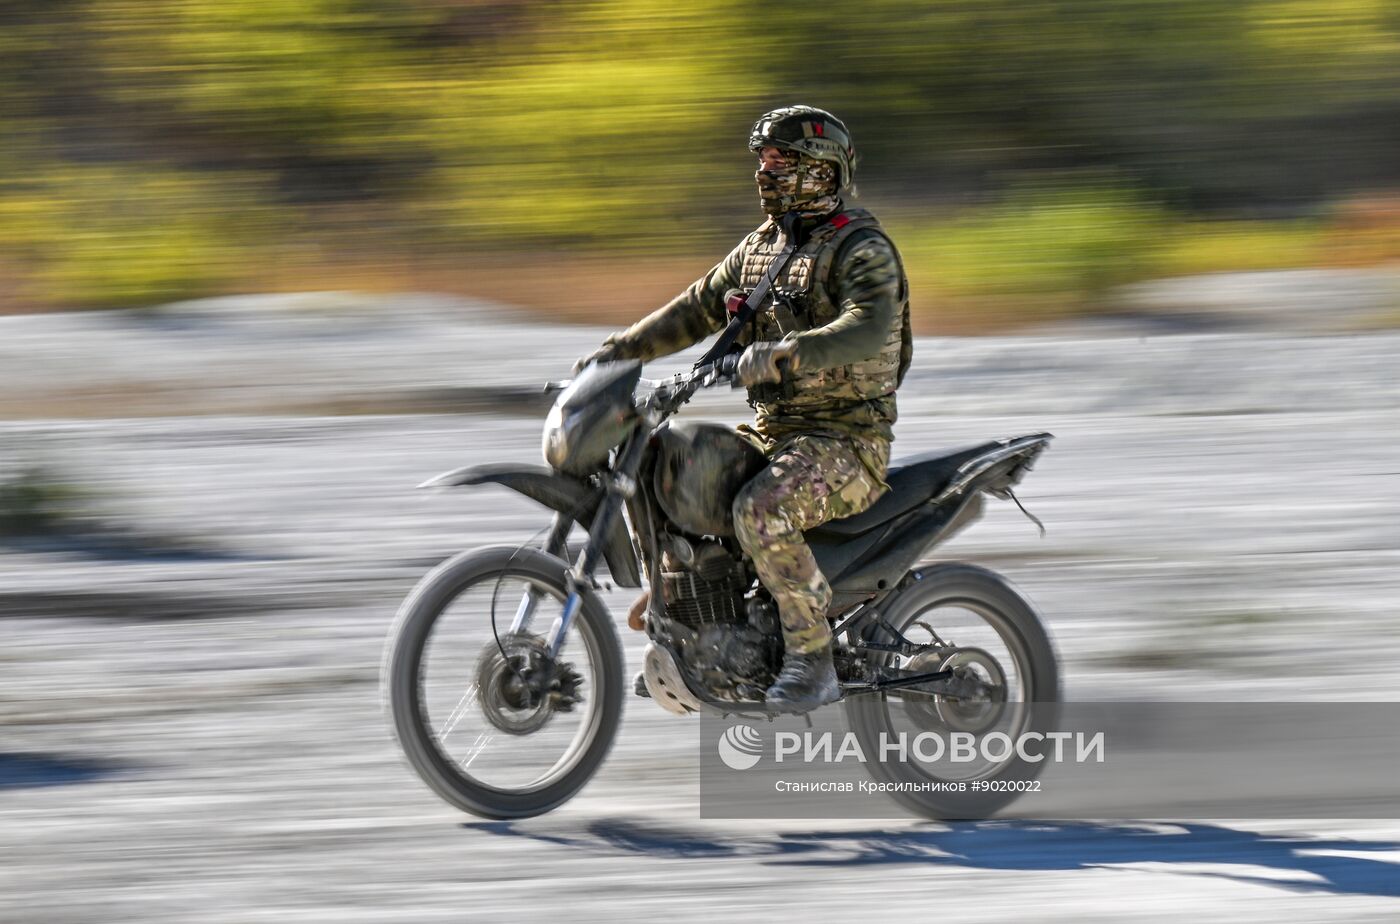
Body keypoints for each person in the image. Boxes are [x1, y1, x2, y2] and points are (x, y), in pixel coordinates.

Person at [576, 105, 911, 710]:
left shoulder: (863, 249)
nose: (766, 170)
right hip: (773, 433)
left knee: (760, 509)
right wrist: (616, 353)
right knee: (660, 459)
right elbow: (694, 309)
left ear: (822, 170)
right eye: (762, 159)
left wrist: (786, 353)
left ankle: (813, 658)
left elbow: (868, 328)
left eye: (781, 159)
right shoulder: (762, 248)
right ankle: (683, 610)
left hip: (846, 442)